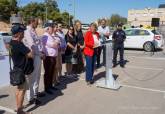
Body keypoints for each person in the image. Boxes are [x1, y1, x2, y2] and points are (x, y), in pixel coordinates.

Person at [10, 25, 33, 114]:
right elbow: (30, 54)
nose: (24, 33)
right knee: (22, 91)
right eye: (22, 32)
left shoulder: (12, 42)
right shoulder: (19, 44)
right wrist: (30, 50)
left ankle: (18, 107)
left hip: (16, 68)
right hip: (22, 70)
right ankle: (20, 110)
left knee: (18, 89)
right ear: (19, 33)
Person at [23, 17, 43, 105]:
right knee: (32, 78)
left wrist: (41, 52)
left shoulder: (33, 30)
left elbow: (38, 43)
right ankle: (31, 98)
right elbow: (32, 45)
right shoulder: (27, 31)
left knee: (37, 77)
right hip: (33, 56)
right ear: (31, 22)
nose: (37, 24)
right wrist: (40, 54)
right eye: (36, 22)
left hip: (38, 55)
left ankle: (35, 94)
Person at [42, 23, 59, 94]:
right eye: (51, 27)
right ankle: (47, 88)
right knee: (48, 73)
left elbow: (57, 44)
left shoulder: (51, 36)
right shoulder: (45, 36)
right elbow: (53, 44)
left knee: (52, 72)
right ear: (48, 28)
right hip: (48, 57)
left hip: (53, 56)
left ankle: (50, 85)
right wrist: (56, 43)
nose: (53, 29)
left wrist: (56, 43)